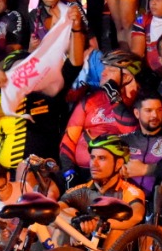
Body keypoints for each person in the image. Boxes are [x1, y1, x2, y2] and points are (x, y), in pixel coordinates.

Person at [59, 50, 139, 184]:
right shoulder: (91, 99)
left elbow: (131, 132)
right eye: (104, 68)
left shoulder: (139, 101)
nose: (103, 73)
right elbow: (68, 140)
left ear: (125, 77)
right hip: (81, 172)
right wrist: (69, 172)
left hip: (118, 174)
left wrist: (114, 98)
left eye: (111, 70)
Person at [62, 134, 146, 243]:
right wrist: (75, 221)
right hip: (84, 244)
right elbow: (56, 210)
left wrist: (100, 223)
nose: (94, 164)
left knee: (117, 231)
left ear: (118, 163)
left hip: (117, 248)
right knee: (67, 215)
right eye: (92, 158)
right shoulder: (82, 190)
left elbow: (137, 216)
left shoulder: (129, 191)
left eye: (102, 158)